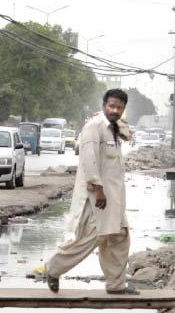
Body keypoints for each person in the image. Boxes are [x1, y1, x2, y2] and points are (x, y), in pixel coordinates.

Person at [46, 89, 137, 295]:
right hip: (99, 197)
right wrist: (98, 190)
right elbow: (89, 161)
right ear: (103, 104)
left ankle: (116, 284)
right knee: (92, 238)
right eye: (111, 106)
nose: (114, 110)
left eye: (119, 107)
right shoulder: (93, 127)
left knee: (119, 237)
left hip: (114, 197)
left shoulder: (113, 127)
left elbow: (128, 134)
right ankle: (53, 268)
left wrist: (118, 120)